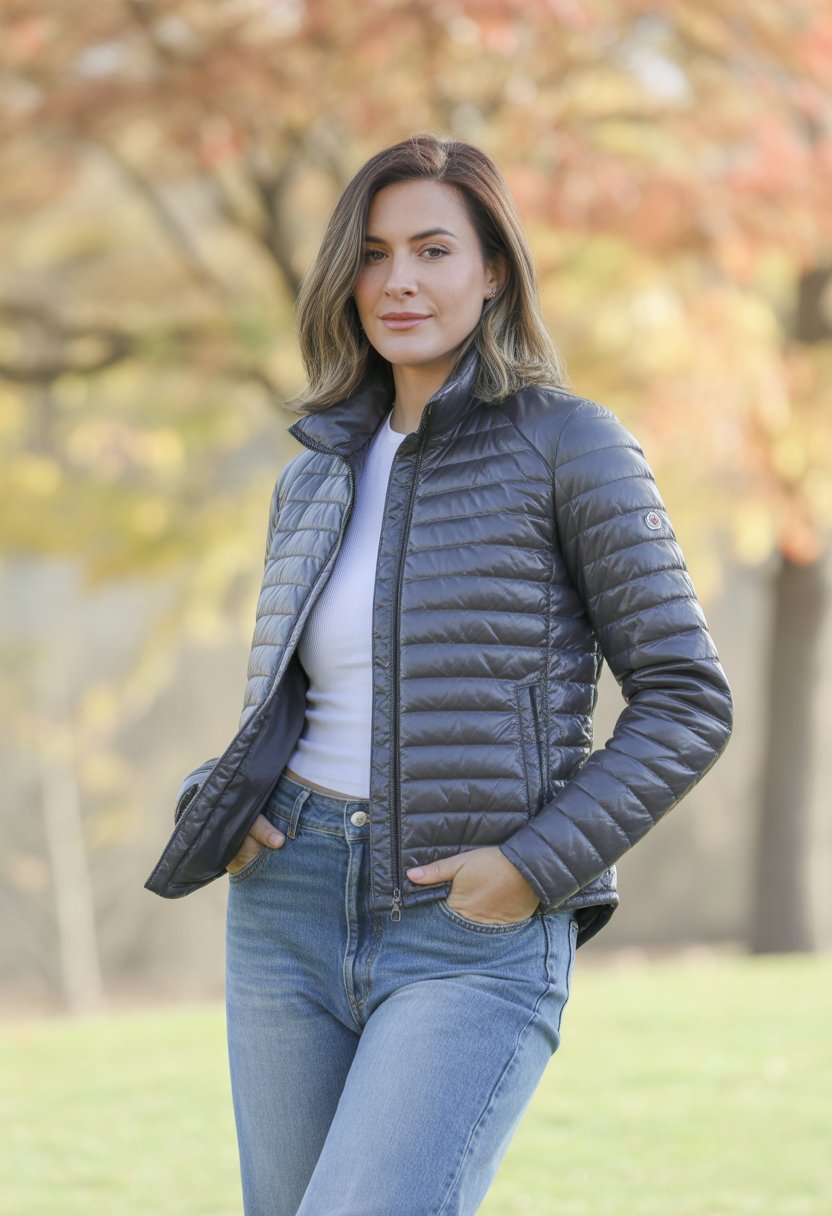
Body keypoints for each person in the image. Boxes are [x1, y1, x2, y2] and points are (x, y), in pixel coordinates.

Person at [146, 134, 733, 1216]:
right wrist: (217, 802)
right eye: (373, 254)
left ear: (493, 268)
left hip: (469, 924)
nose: (399, 281)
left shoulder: (571, 444)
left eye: (432, 249)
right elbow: (298, 701)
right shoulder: (314, 472)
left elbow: (688, 698)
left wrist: (532, 862)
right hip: (287, 906)